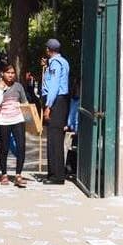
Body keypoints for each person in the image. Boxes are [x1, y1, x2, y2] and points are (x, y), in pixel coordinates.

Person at [42, 38, 70, 185]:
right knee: (56, 137)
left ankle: (56, 175)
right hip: (61, 100)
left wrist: (48, 106)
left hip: (56, 101)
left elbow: (53, 85)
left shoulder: (55, 63)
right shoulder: (63, 61)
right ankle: (54, 173)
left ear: (48, 50)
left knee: (54, 139)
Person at [0, 64, 28, 188]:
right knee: (4, 148)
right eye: (8, 72)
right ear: (3, 74)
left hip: (18, 119)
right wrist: (0, 89)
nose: (10, 75)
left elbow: (24, 102)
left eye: (13, 73)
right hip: (4, 121)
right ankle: (4, 174)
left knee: (21, 146)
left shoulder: (18, 86)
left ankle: (18, 175)